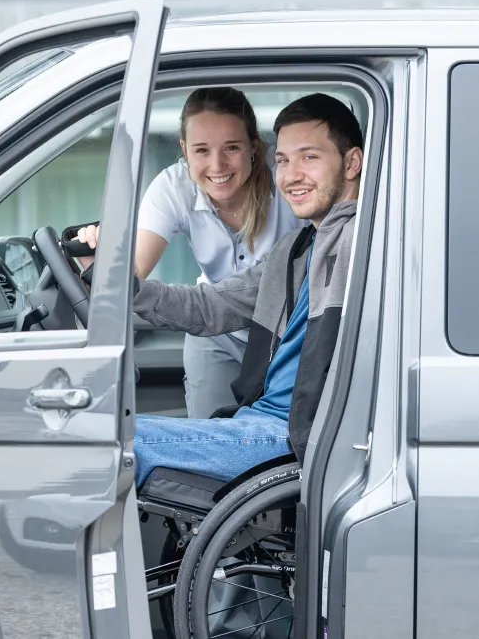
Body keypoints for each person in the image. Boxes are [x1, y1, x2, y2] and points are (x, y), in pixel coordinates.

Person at [128, 92, 365, 488]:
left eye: (309, 157)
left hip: (289, 438)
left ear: (353, 162)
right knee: (109, 435)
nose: (291, 175)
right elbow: (210, 306)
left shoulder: (367, 242)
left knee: (103, 446)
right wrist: (126, 286)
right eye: (285, 161)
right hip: (256, 420)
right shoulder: (294, 251)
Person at [77, 87, 309, 419]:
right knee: (208, 438)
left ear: (254, 146)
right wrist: (99, 266)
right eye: (201, 150)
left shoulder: (285, 177)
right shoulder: (173, 188)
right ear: (184, 150)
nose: (217, 165)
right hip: (214, 329)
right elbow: (136, 268)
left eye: (232, 147)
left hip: (288, 330)